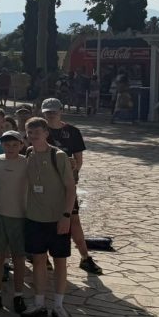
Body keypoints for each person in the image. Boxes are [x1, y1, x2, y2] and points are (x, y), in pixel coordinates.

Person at [20, 117, 76, 317]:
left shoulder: (58, 155)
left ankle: (59, 305)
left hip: (57, 218)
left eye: (37, 132)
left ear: (46, 133)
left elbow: (71, 188)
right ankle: (39, 303)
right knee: (38, 261)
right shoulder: (28, 153)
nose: (33, 136)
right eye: (30, 132)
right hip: (35, 218)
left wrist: (66, 216)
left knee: (60, 262)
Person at [41, 98, 103, 276]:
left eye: (54, 111)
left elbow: (78, 160)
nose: (51, 114)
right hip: (44, 185)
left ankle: (85, 257)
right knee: (43, 220)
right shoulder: (39, 130)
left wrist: (71, 178)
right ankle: (43, 256)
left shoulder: (73, 132)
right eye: (47, 111)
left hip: (65, 184)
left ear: (61, 111)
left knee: (73, 220)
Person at [0, 130, 29, 314]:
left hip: (20, 216)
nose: (10, 148)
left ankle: (18, 294)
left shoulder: (27, 162)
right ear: (1, 145)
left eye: (14, 145)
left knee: (19, 257)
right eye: (6, 144)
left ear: (21, 145)